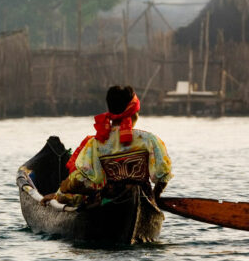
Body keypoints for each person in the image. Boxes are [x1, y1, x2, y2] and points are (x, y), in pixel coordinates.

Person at [42, 85, 172, 208]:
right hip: (144, 199)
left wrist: (59, 195)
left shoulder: (96, 143)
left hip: (106, 203)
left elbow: (80, 181)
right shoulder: (148, 140)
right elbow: (163, 175)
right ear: (133, 113)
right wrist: (154, 197)